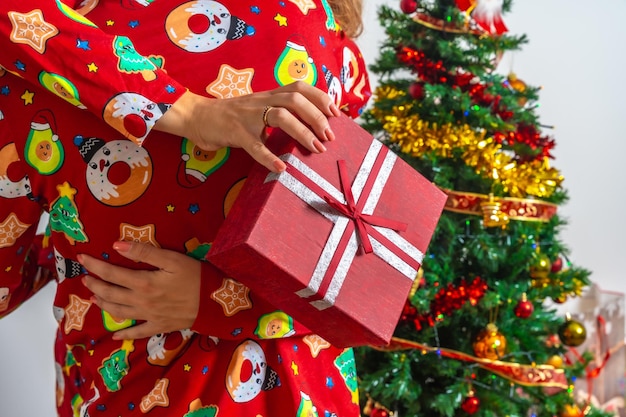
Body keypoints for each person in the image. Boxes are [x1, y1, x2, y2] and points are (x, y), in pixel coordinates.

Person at [0, 0, 371, 416]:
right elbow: (360, 259)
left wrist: (77, 249)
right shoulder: (314, 24)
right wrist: (224, 298)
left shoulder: (24, 62)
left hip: (123, 390)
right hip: (300, 387)